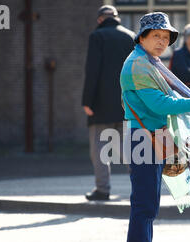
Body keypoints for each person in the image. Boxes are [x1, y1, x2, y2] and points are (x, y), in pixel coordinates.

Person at [120, 12, 190, 242]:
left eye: (166, 37)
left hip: (152, 136)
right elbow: (159, 104)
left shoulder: (149, 61)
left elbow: (165, 98)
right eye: (156, 36)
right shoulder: (138, 65)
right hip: (144, 139)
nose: (162, 41)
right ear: (142, 37)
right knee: (144, 205)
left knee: (147, 204)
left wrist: (188, 102)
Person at [81, 5, 135, 201]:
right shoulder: (131, 37)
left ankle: (102, 190)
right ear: (117, 18)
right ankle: (140, 187)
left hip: (101, 105)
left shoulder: (97, 37)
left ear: (100, 20)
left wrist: (87, 101)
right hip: (127, 104)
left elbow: (92, 71)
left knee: (100, 149)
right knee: (130, 149)